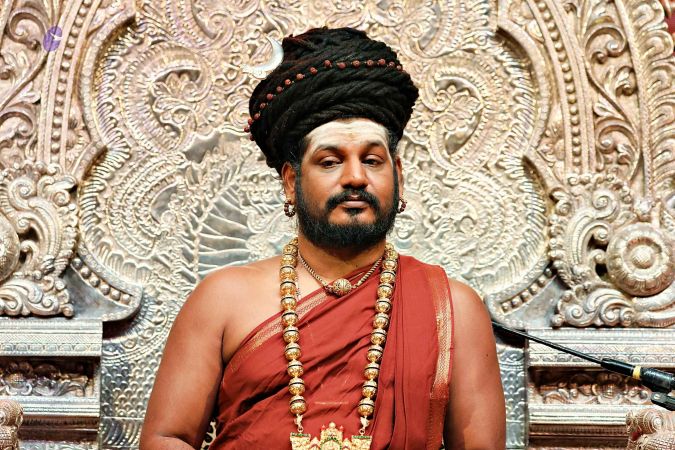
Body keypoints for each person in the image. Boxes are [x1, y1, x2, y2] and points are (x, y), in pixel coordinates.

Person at [140, 27, 505, 450]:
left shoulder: (453, 308)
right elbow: (168, 438)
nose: (355, 177)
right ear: (290, 181)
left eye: (372, 160)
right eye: (330, 161)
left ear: (399, 176)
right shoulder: (223, 300)